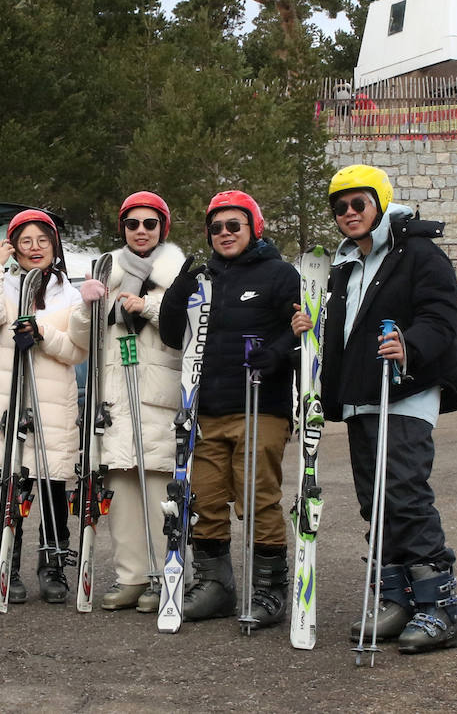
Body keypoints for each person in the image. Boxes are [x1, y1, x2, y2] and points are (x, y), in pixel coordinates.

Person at [292, 164, 457, 653]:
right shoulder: (346, 264)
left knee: (405, 491)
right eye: (340, 206)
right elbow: (346, 329)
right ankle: (397, 597)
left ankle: (439, 606)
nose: (349, 213)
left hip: (405, 389)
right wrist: (314, 326)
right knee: (374, 498)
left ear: (381, 202)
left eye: (359, 203)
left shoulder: (419, 253)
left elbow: (442, 316)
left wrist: (409, 344)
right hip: (361, 394)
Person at [160, 190, 299, 628]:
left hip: (261, 406)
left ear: (253, 228)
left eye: (233, 225)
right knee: (205, 500)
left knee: (257, 498)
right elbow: (170, 334)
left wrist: (277, 354)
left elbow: (304, 334)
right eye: (216, 227)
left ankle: (269, 589)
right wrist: (180, 289)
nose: (224, 234)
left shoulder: (279, 274)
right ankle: (216, 585)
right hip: (207, 410)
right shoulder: (205, 279)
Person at [68, 192, 186, 612]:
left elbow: (188, 329)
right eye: (132, 223)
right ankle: (132, 577)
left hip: (157, 396)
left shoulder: (179, 273)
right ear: (123, 228)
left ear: (162, 228)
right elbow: (82, 340)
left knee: (160, 494)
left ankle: (166, 574)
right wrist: (86, 305)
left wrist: (150, 306)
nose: (140, 230)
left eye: (149, 224)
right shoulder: (106, 271)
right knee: (120, 495)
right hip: (115, 398)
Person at [0, 209, 87, 603]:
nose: (35, 248)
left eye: (43, 240)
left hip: (53, 407)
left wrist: (41, 334)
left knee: (53, 490)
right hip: (11, 400)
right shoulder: (4, 287)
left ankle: (53, 566)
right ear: (14, 248)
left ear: (54, 246)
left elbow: (77, 350)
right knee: (11, 488)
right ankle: (7, 562)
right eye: (26, 241)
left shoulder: (70, 295)